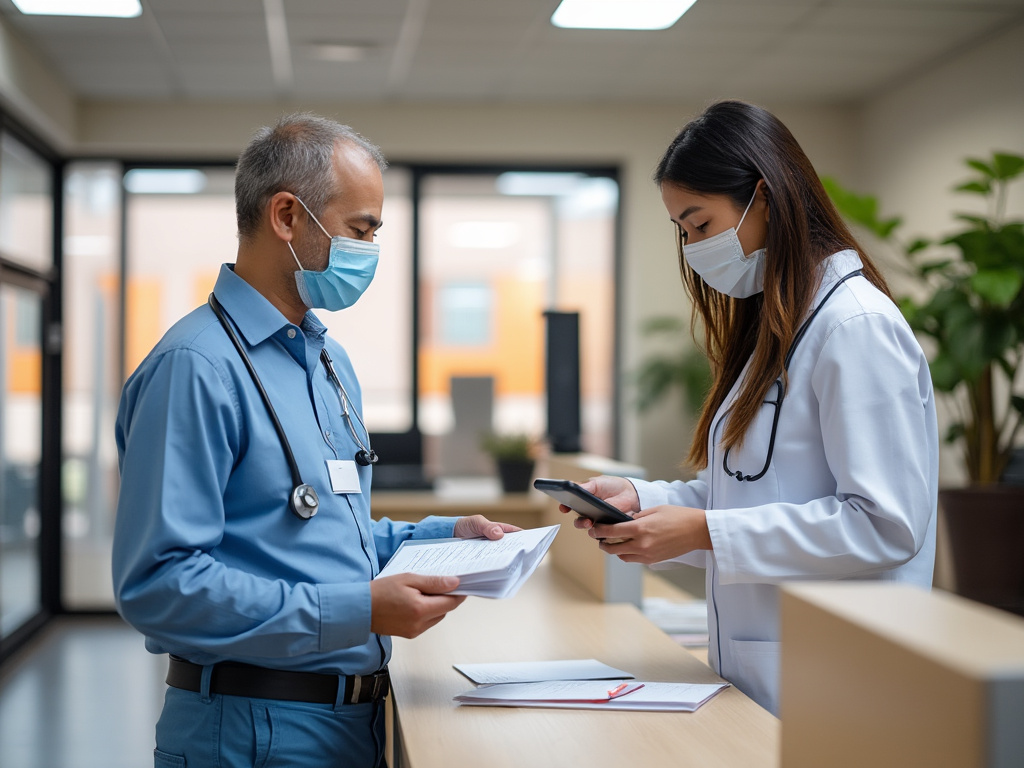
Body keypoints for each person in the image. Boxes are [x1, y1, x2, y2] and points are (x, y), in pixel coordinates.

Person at [112, 113, 519, 768]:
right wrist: (355, 611)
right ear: (286, 216)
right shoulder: (196, 368)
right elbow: (160, 586)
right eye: (360, 229)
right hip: (251, 730)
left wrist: (443, 538)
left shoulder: (325, 362)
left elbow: (325, 534)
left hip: (348, 724)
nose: (371, 250)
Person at [565, 100, 938, 715]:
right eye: (684, 232)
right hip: (772, 671)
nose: (693, 248)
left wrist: (706, 532)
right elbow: (753, 493)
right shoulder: (784, 325)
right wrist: (645, 502)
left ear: (763, 196)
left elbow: (885, 524)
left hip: (841, 676)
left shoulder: (856, 326)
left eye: (700, 225)